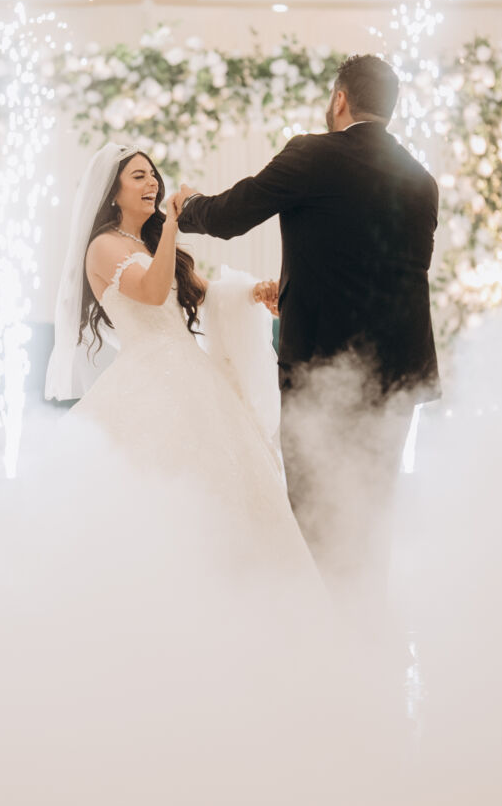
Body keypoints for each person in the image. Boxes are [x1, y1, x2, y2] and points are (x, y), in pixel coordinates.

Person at [173, 55, 440, 605]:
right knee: (371, 508)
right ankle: (367, 622)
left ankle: (326, 633)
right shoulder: (420, 179)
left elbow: (228, 216)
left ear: (340, 98)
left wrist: (188, 204)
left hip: (325, 367)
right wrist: (299, 294)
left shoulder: (313, 154)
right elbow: (389, 271)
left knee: (315, 510)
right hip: (400, 370)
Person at [42, 144, 316, 582]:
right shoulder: (102, 247)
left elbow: (203, 294)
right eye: (138, 176)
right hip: (147, 377)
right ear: (112, 192)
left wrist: (255, 293)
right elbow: (152, 293)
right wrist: (172, 223)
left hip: (195, 375)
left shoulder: (150, 243)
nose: (152, 182)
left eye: (153, 174)